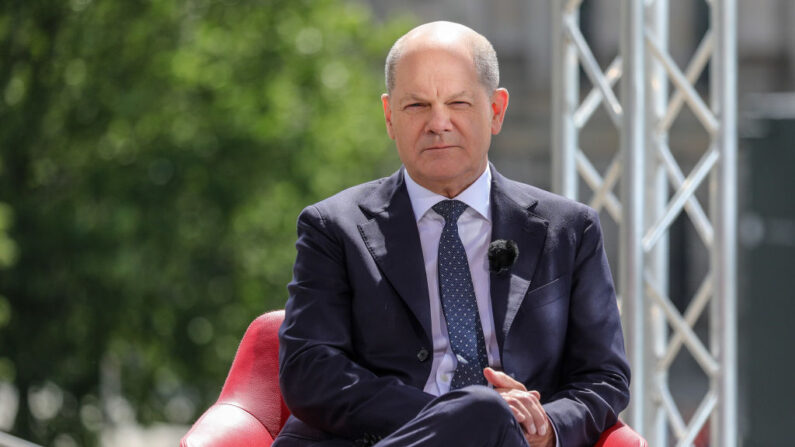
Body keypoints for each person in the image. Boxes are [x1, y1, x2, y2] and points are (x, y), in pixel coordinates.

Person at [274, 21, 630, 447]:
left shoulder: (569, 230)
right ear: (389, 117)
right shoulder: (334, 227)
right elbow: (310, 371)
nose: (438, 123)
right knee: (482, 410)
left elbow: (603, 375)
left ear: (496, 111)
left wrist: (541, 426)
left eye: (458, 103)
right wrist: (468, 419)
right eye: (416, 106)